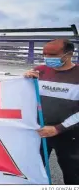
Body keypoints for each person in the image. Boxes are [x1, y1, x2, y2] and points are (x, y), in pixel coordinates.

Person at [23, 39, 78, 184]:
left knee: (72, 174)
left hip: (70, 135)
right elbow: (25, 98)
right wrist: (25, 81)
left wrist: (58, 128)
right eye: (45, 54)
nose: (48, 58)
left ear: (69, 54)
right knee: (32, 171)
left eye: (53, 55)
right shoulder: (40, 71)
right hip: (40, 131)